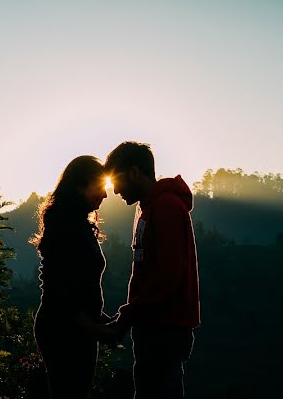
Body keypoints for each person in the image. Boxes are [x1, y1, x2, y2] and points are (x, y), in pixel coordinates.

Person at [104, 141, 201, 399]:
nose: (114, 190)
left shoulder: (166, 207)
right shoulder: (148, 207)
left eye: (117, 180)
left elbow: (166, 278)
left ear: (135, 172)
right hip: (151, 326)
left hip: (164, 330)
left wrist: (126, 317)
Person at [32, 155, 114, 399]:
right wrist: (95, 327)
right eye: (100, 188)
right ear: (80, 186)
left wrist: (100, 320)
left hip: (76, 328)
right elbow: (61, 290)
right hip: (64, 330)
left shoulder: (76, 224)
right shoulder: (66, 226)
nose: (106, 195)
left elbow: (79, 285)